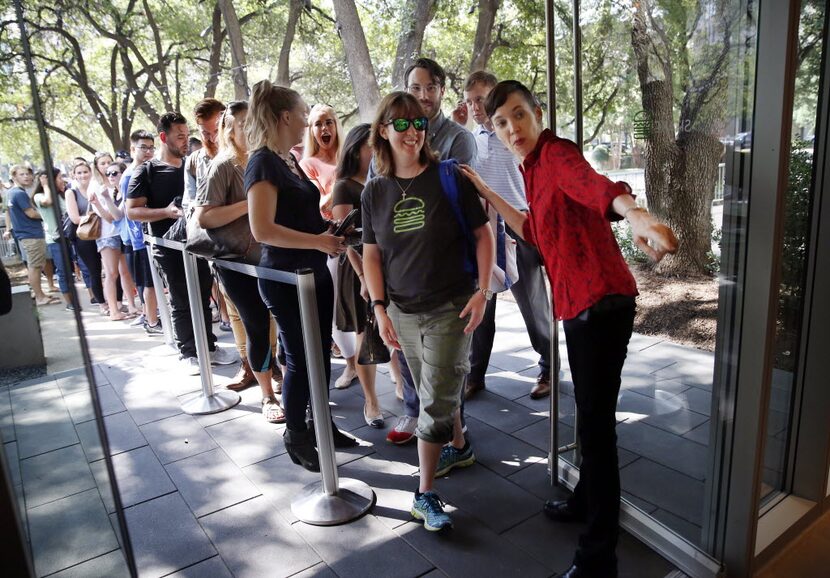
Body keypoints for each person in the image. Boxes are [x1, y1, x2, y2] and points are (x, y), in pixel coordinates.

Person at [460, 80, 678, 578]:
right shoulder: (532, 169)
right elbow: (535, 231)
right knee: (590, 411)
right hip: (589, 305)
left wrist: (636, 214)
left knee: (598, 433)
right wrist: (486, 191)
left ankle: (598, 555)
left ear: (538, 113)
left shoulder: (556, 156)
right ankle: (584, 500)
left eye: (519, 115)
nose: (512, 127)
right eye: (501, 122)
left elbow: (596, 186)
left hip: (598, 307)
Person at [362, 92, 494, 531]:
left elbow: (482, 235)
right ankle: (460, 445)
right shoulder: (375, 190)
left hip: (452, 307)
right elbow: (372, 254)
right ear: (383, 131)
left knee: (433, 400)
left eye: (417, 123)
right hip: (401, 309)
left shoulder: (448, 176)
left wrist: (483, 290)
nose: (411, 132)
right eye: (399, 124)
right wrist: (380, 308)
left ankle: (424, 494)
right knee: (430, 383)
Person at [245, 80, 355, 472]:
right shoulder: (262, 162)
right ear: (286, 117)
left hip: (312, 271)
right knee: (300, 358)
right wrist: (318, 240)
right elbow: (263, 230)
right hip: (286, 277)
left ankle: (321, 424)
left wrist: (328, 233)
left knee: (319, 353)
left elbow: (295, 215)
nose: (308, 119)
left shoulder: (288, 160)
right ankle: (296, 432)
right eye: (304, 112)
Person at [384, 56, 480, 445]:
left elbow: (460, 201)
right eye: (415, 88)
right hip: (401, 268)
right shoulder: (391, 134)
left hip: (447, 266)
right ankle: (416, 414)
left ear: (441, 90)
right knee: (410, 356)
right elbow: (380, 198)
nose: (422, 96)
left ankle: (452, 432)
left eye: (430, 87)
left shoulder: (459, 138)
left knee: (445, 362)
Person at [462, 71, 554, 400]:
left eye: (481, 99)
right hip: (484, 228)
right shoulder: (472, 138)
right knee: (481, 304)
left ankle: (548, 366)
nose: (476, 106)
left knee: (532, 304)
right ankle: (475, 374)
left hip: (520, 222)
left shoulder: (512, 135)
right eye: (470, 100)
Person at [193, 100, 285, 423]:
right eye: (240, 123)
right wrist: (249, 205)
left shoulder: (268, 160)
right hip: (236, 264)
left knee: (283, 326)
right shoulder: (221, 166)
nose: (247, 128)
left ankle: (287, 380)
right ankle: (267, 396)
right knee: (257, 327)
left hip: (273, 257)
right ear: (228, 129)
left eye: (251, 121)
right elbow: (204, 217)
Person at [127, 111, 236, 373]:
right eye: (180, 136)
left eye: (187, 135)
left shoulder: (194, 164)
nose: (185, 141)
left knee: (202, 294)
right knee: (180, 298)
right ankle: (188, 350)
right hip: (168, 247)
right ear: (164, 137)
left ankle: (208, 346)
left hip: (199, 243)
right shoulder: (146, 171)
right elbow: (132, 210)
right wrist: (165, 212)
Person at [300, 104, 360, 391]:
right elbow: (314, 205)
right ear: (311, 130)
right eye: (318, 124)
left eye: (329, 122)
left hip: (364, 239)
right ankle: (351, 365)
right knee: (339, 305)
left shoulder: (352, 156)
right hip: (332, 244)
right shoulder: (307, 164)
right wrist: (340, 186)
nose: (325, 129)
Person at [331, 123, 382, 428]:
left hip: (386, 264)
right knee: (366, 336)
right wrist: (364, 277)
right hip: (358, 268)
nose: (375, 150)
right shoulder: (344, 185)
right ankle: (372, 401)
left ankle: (401, 388)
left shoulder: (382, 178)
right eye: (370, 145)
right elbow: (345, 238)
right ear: (356, 149)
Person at [121, 129, 161, 334]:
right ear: (132, 148)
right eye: (143, 147)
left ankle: (152, 317)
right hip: (140, 239)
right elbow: (132, 213)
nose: (148, 151)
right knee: (149, 284)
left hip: (148, 236)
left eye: (151, 147)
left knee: (153, 282)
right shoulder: (130, 176)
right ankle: (152, 322)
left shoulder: (146, 170)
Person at [91, 161, 139, 321]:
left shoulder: (119, 188)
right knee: (111, 273)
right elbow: (110, 217)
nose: (110, 174)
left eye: (114, 172)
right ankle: (113, 310)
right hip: (107, 236)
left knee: (126, 272)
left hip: (123, 235)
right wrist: (100, 201)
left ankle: (131, 305)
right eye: (107, 172)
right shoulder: (99, 189)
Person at [7, 164, 58, 306]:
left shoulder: (11, 193)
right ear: (14, 177)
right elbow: (31, 213)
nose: (27, 176)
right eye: (22, 174)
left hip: (27, 234)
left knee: (35, 265)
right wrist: (46, 215)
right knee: (34, 266)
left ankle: (40, 293)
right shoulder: (19, 193)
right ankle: (40, 297)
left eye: (28, 174)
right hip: (31, 235)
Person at [32, 168, 76, 310]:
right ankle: (69, 302)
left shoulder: (62, 194)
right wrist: (45, 185)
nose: (61, 180)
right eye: (58, 178)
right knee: (63, 271)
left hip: (69, 237)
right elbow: (48, 200)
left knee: (74, 270)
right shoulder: (39, 196)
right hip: (55, 239)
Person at [66, 159, 106, 311]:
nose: (83, 175)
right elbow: (75, 218)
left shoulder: (97, 187)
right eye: (79, 173)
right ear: (74, 175)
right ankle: (102, 303)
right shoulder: (71, 192)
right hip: (85, 236)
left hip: (103, 233)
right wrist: (93, 216)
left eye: (85, 172)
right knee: (94, 271)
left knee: (110, 270)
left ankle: (116, 301)